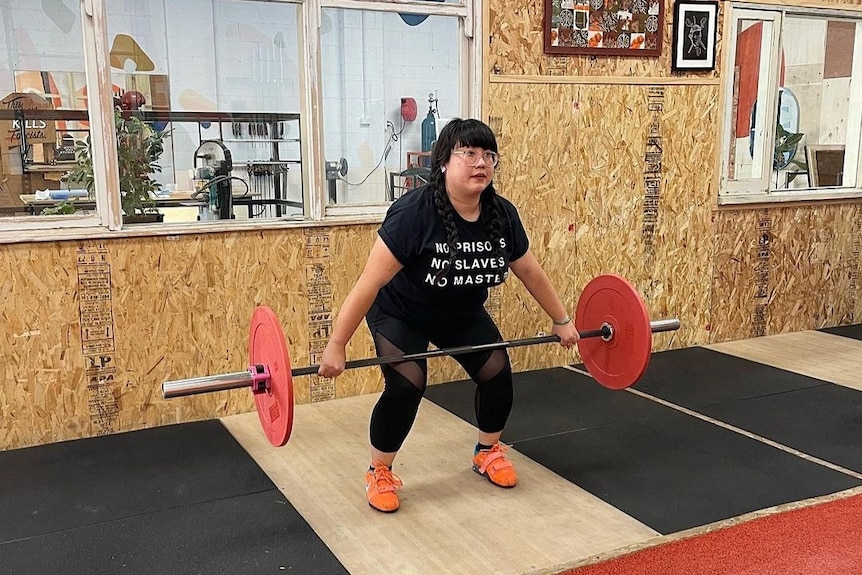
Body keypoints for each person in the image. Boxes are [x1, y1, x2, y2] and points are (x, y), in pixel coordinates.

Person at [318, 118, 579, 513]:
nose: (480, 163)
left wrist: (561, 319)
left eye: (488, 155)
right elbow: (368, 284)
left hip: (460, 311)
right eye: (469, 153)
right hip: (400, 313)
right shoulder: (413, 215)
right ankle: (379, 470)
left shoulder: (501, 214)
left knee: (497, 371)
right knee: (407, 385)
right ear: (443, 161)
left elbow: (529, 270)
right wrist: (336, 345)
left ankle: (487, 451)